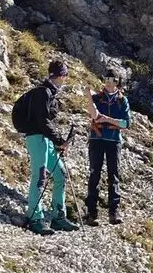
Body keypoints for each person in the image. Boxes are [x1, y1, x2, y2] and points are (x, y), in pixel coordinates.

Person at [11, 60, 79, 234]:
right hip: (36, 138)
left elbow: (46, 122)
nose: (65, 79)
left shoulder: (48, 92)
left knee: (61, 175)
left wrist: (56, 141)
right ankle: (35, 218)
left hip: (44, 139)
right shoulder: (43, 92)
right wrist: (59, 140)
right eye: (64, 75)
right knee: (40, 177)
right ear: (60, 76)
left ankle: (59, 217)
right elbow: (43, 121)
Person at [85, 69, 132, 226]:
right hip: (96, 139)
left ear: (117, 82)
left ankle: (114, 212)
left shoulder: (122, 101)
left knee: (114, 175)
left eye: (112, 79)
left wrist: (107, 119)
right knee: (94, 174)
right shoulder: (97, 98)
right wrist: (88, 97)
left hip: (113, 141)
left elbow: (126, 123)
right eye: (106, 79)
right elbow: (93, 115)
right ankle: (91, 213)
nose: (108, 82)